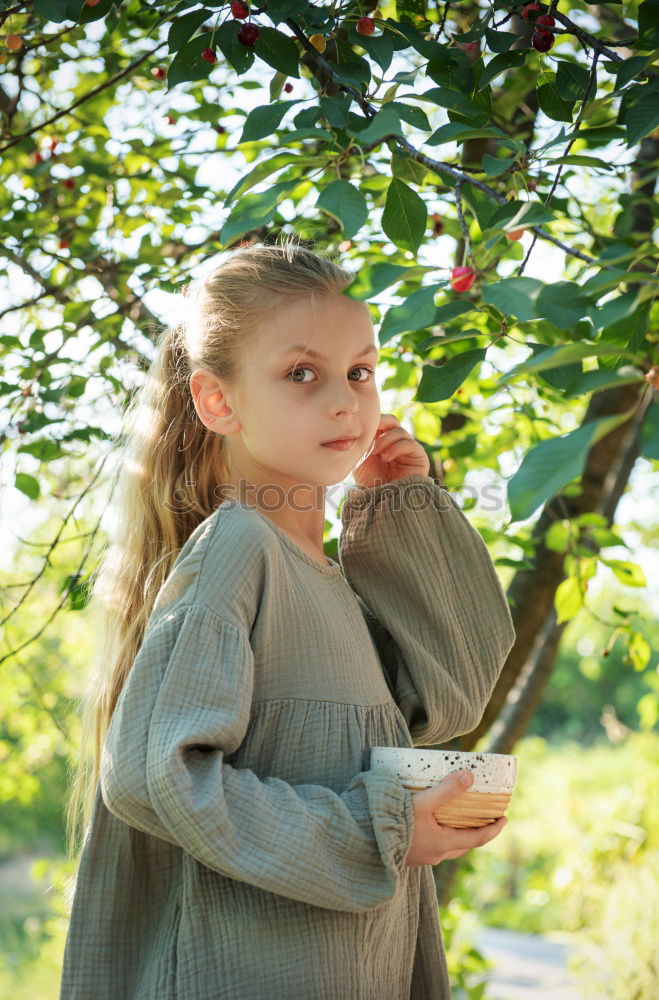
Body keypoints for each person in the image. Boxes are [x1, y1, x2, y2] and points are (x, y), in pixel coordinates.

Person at [60, 236, 516, 1000]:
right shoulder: (240, 548)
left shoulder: (330, 577)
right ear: (218, 400)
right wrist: (379, 830)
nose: (346, 400)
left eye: (361, 372)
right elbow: (154, 776)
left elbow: (449, 697)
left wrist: (400, 507)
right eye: (302, 373)